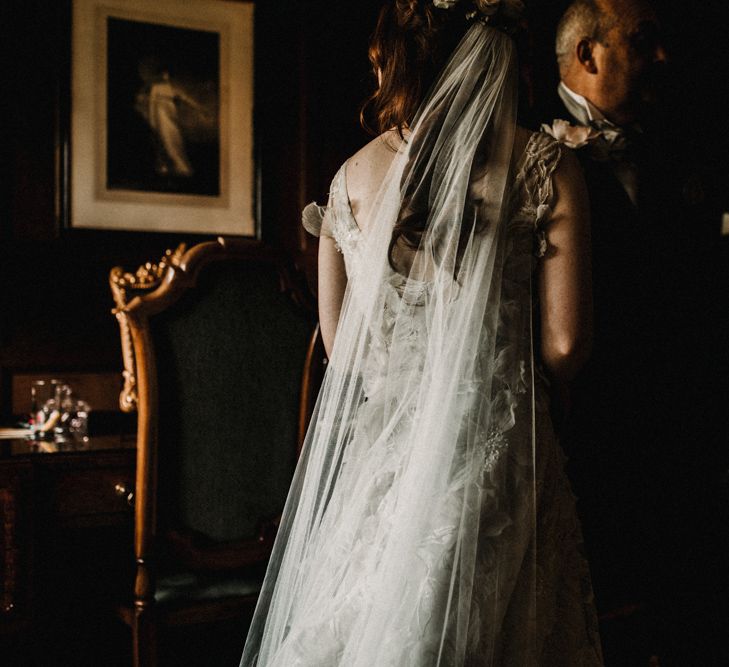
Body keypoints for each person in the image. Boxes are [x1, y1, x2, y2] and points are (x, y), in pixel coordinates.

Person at [241, 1, 603, 664]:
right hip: (493, 449)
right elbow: (564, 347)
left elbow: (339, 350)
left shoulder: (347, 178)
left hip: (378, 461)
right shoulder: (542, 165)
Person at [544, 1, 727, 662]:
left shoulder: (682, 143)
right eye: (642, 41)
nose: (661, 58)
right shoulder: (527, 146)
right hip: (576, 430)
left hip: (681, 433)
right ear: (587, 55)